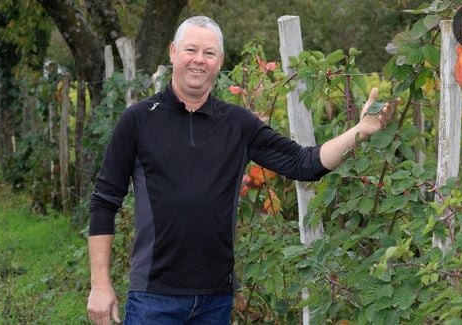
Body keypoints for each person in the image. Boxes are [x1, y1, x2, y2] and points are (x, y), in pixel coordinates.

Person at [87, 16, 396, 325]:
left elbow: (305, 164)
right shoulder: (138, 120)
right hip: (154, 297)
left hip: (215, 298)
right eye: (190, 50)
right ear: (172, 53)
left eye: (209, 53)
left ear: (219, 61)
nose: (199, 60)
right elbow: (104, 201)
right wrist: (100, 285)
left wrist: (362, 130)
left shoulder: (237, 124)